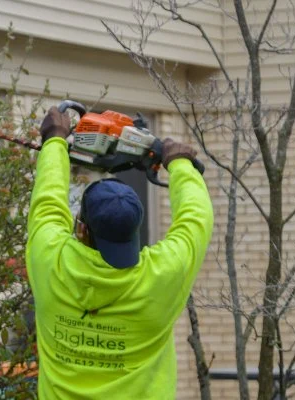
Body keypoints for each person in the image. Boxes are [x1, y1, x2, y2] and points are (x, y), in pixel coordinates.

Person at [25, 106, 214, 399]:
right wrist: (180, 164)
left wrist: (55, 140)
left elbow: (48, 200)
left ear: (83, 229)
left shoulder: (50, 261)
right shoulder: (160, 277)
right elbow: (196, 218)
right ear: (134, 231)